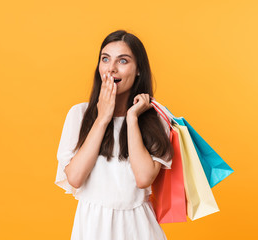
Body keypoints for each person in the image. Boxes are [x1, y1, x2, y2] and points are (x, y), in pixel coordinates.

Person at [55, 29, 174, 240]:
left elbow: (144, 178)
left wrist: (132, 119)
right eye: (105, 59)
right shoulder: (79, 114)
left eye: (123, 61)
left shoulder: (155, 120)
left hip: (139, 229)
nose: (111, 69)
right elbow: (74, 177)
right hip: (91, 228)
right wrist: (102, 118)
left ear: (138, 70)